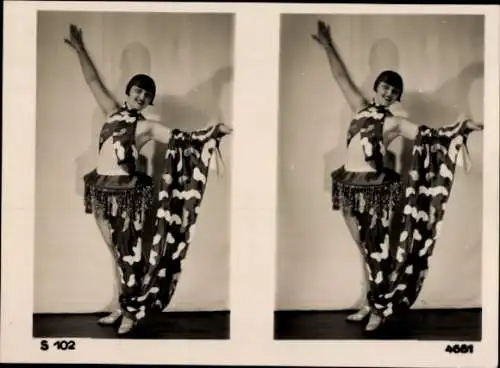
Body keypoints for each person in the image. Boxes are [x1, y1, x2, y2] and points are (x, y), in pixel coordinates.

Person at [312, 20, 483, 333]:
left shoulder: (395, 122)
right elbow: (340, 76)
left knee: (376, 248)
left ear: (397, 96)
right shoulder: (359, 106)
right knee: (365, 249)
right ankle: (371, 300)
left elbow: (430, 135)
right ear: (377, 87)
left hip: (376, 189)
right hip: (347, 184)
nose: (389, 92)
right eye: (385, 86)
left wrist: (461, 128)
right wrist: (327, 45)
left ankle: (378, 308)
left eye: (394, 90)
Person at [64, 24, 232, 336]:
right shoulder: (111, 111)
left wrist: (212, 132)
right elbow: (91, 80)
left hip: (128, 195)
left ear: (149, 101)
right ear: (129, 91)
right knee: (116, 254)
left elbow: (181, 138)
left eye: (147, 95)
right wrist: (79, 49)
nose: (142, 96)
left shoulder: (147, 127)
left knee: (128, 254)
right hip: (101, 190)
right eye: (138, 90)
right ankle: (121, 303)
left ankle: (131, 312)